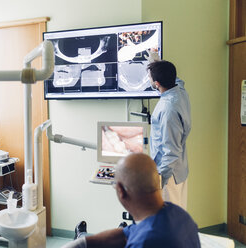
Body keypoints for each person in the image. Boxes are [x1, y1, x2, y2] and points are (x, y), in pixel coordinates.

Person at [63, 153, 200, 248]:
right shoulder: (178, 215)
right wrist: (82, 243)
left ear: (121, 191)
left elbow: (140, 237)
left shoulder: (145, 242)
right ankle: (81, 235)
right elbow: (126, 234)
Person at [146, 51, 191, 210]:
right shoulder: (179, 91)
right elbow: (178, 79)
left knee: (169, 223)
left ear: (156, 84)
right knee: (177, 219)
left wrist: (158, 182)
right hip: (178, 169)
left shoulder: (168, 110)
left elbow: (170, 151)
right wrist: (157, 62)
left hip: (168, 174)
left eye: (150, 78)